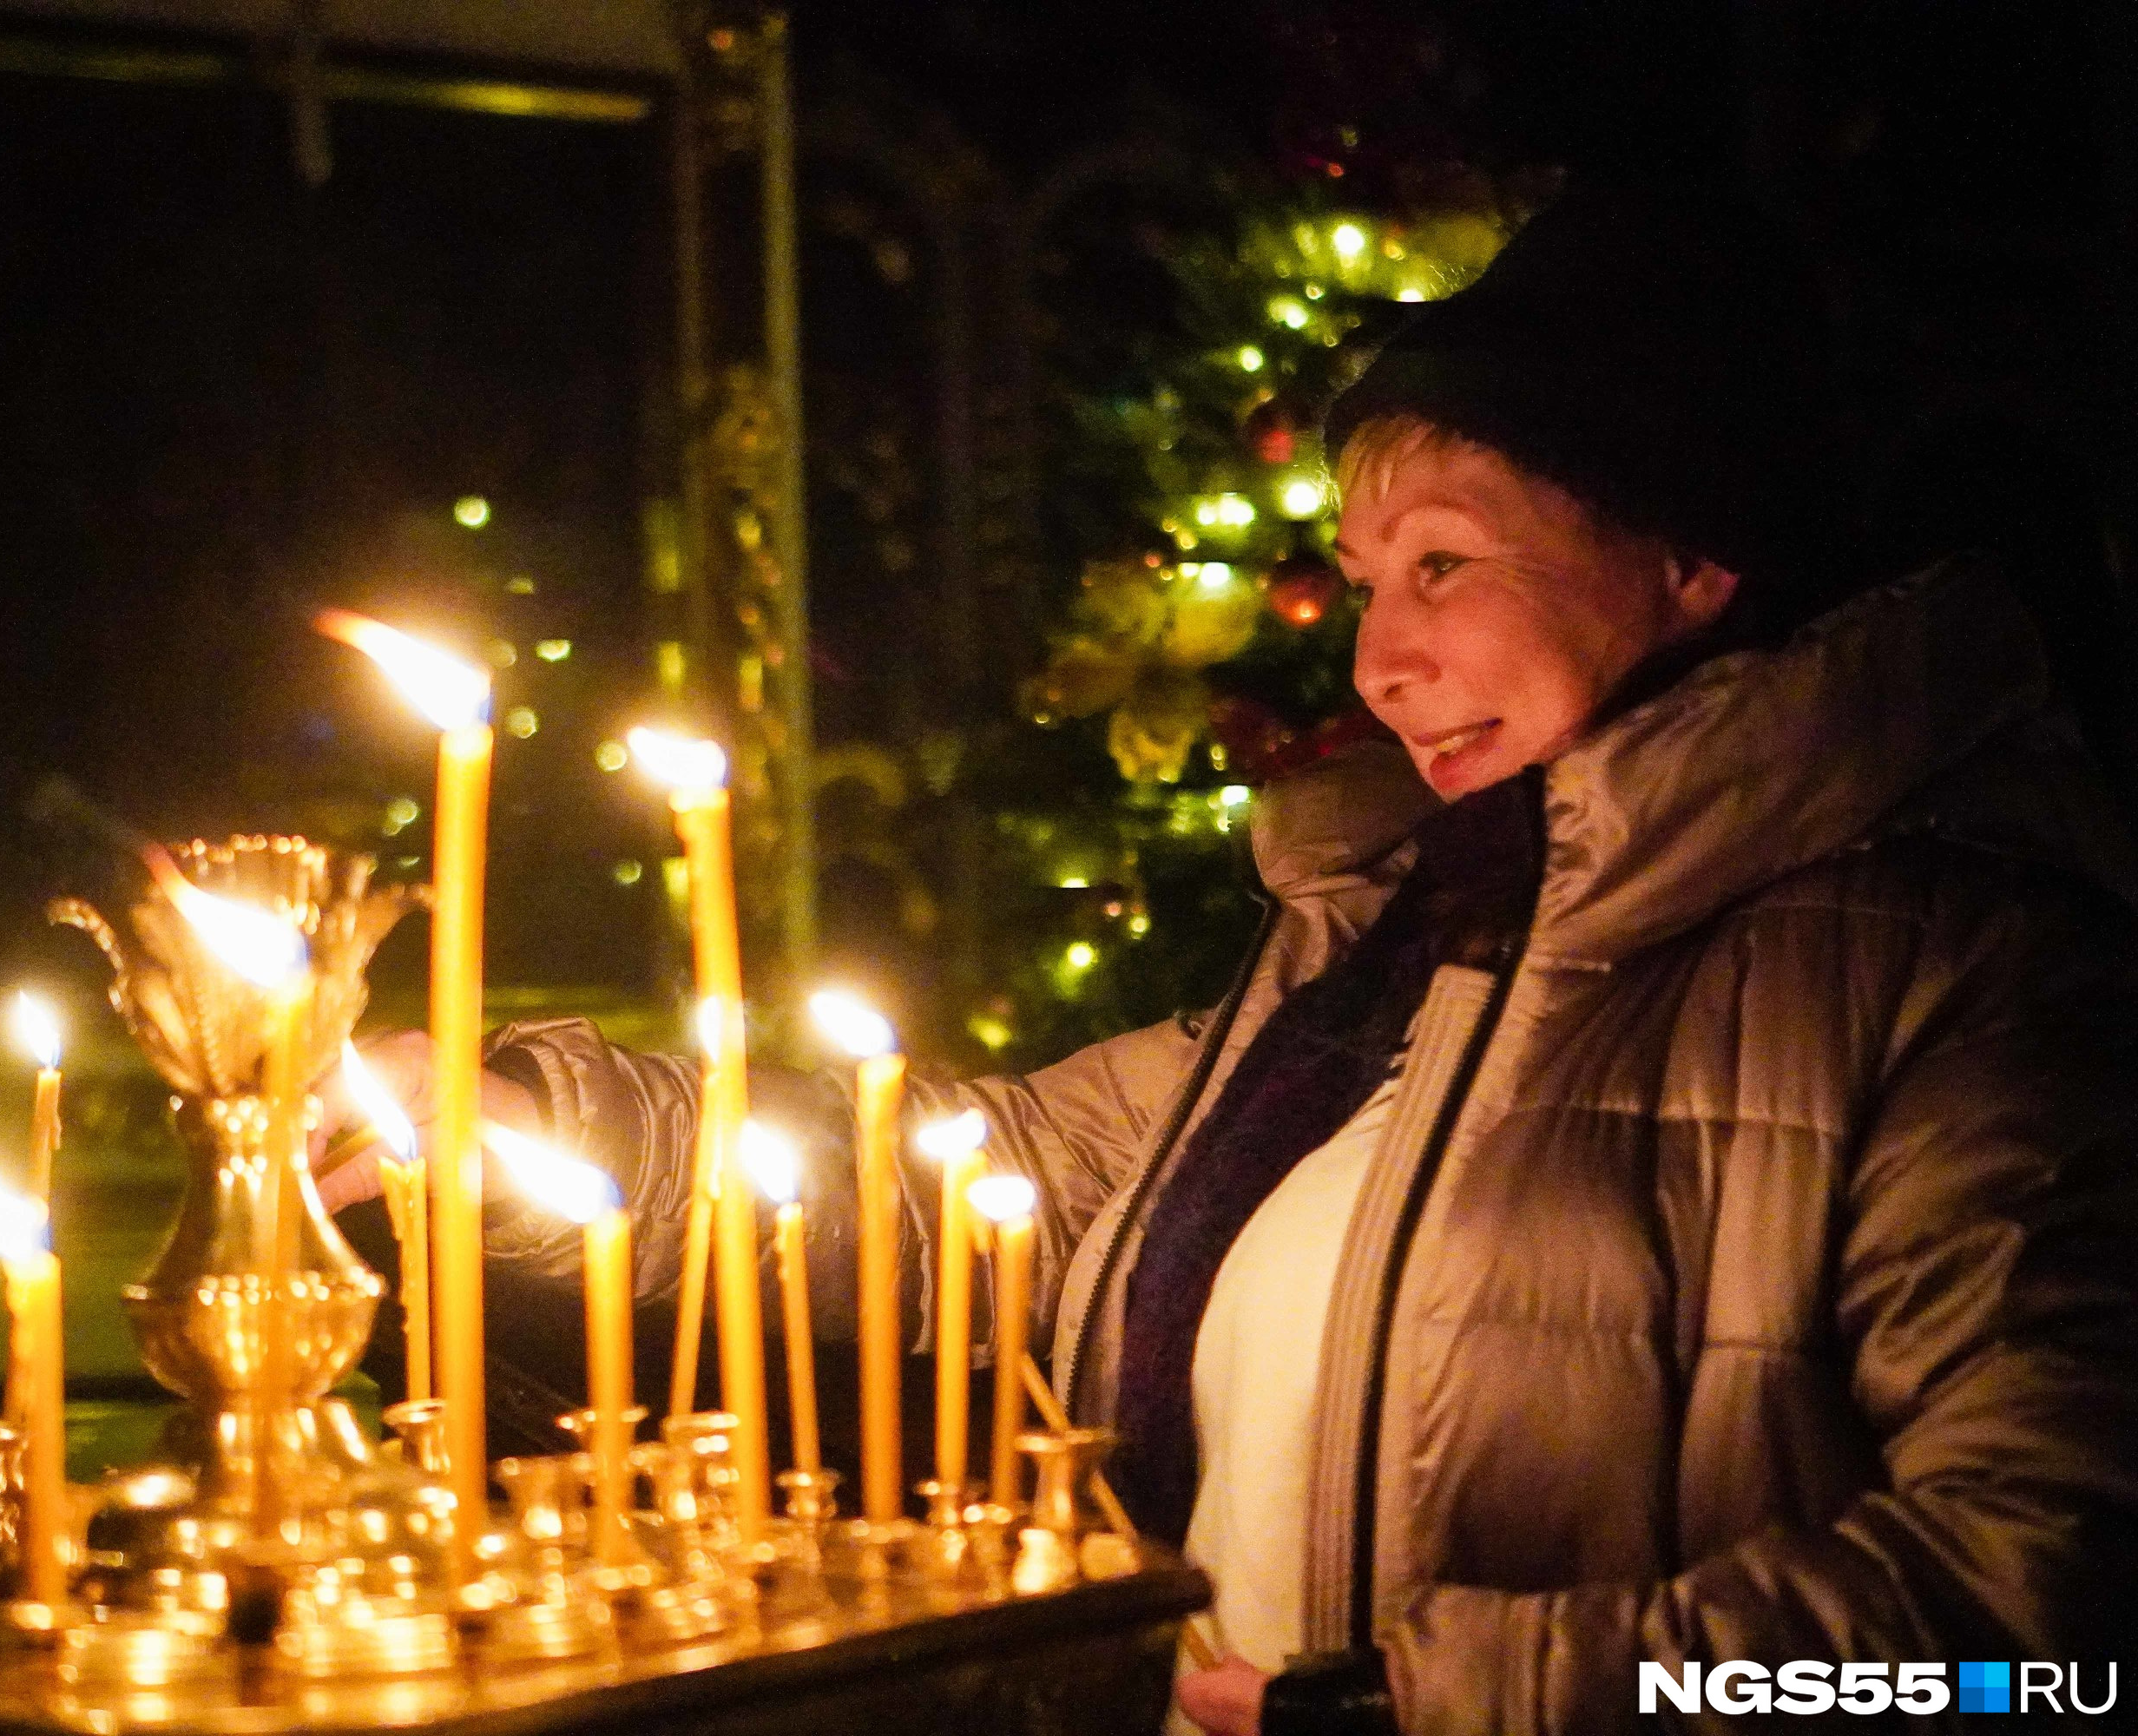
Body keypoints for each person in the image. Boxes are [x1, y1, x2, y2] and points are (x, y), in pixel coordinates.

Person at [321, 184, 2138, 1733]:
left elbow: (2040, 1641)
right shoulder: (1384, 955)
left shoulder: (1959, 976)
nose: (1375, 660)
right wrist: (511, 1124)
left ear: (1688, 561)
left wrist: (1455, 1699)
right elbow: (986, 1177)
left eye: (1445, 564)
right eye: (1362, 578)